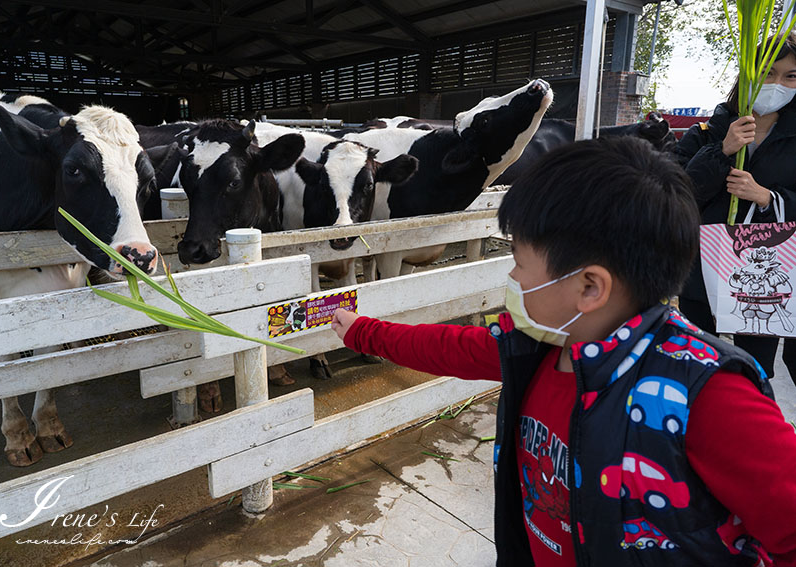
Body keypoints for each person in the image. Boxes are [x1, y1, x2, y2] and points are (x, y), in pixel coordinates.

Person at [330, 137, 796, 567]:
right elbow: (450, 348)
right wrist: (362, 332)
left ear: (589, 287)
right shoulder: (539, 344)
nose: (513, 279)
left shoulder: (708, 397)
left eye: (520, 262)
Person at [674, 32, 796, 384]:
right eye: (767, 72)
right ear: (747, 73)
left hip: (766, 275)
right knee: (696, 361)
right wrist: (722, 150)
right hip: (702, 270)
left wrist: (767, 197)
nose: (776, 84)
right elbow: (676, 193)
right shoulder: (705, 132)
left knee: (753, 370)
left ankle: (750, 426)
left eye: (790, 76)